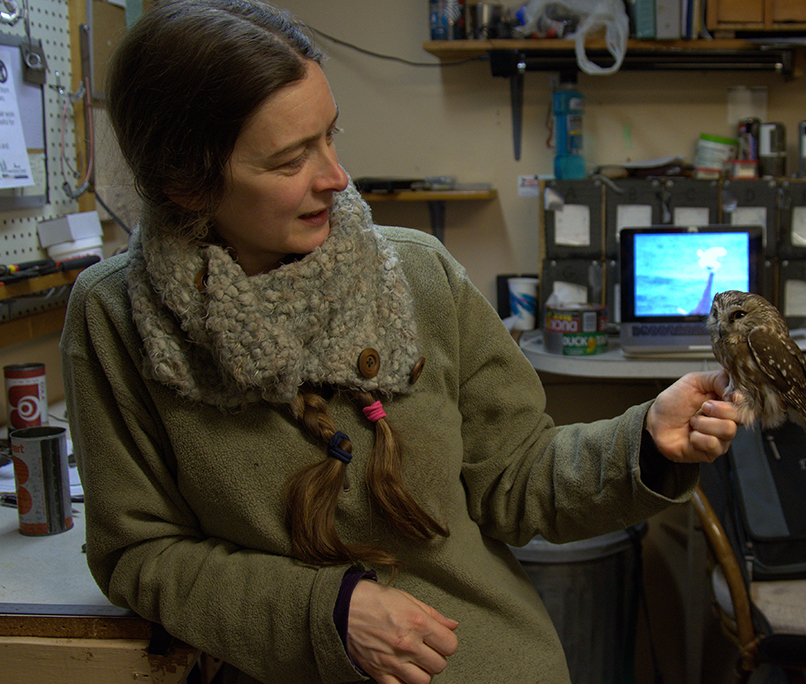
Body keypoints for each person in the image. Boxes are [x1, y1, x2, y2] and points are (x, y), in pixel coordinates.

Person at [60, 1, 740, 682]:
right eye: (290, 159)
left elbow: (515, 476)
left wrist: (642, 443)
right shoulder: (116, 316)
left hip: (487, 661)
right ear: (186, 183)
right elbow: (139, 555)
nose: (335, 177)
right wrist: (325, 612)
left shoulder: (419, 273)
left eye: (330, 136)